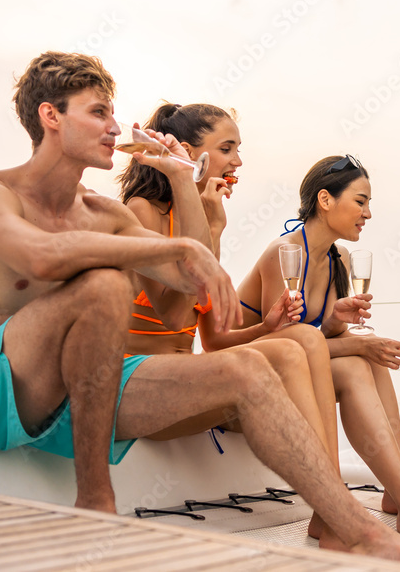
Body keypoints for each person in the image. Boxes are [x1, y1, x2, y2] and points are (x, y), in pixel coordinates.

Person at [0, 51, 400, 571]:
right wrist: (177, 247)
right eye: (99, 114)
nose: (116, 129)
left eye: (113, 114)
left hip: (75, 394)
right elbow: (40, 256)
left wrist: (182, 186)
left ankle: (356, 527)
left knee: (248, 370)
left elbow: (177, 309)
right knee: (101, 285)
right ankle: (95, 501)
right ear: (51, 116)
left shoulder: (104, 214)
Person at [117, 101, 338, 541]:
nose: (238, 161)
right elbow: (176, 311)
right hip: (143, 389)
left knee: (301, 340)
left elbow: (213, 336)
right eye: (227, 148)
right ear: (189, 154)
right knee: (299, 348)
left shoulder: (194, 215)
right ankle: (333, 507)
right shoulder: (142, 212)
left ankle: (334, 504)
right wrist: (212, 232)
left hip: (189, 380)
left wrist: (267, 326)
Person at [235, 155, 400, 549]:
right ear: (325, 199)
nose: (368, 213)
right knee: (357, 363)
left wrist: (339, 321)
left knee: (365, 361)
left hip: (297, 365)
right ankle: (398, 504)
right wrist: (358, 342)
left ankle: (399, 491)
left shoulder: (337, 259)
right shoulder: (284, 253)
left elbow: (318, 338)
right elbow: (283, 344)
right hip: (249, 373)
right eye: (360, 201)